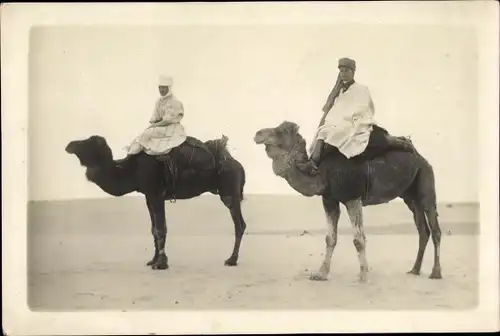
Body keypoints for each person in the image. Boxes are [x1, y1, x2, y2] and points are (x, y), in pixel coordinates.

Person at [305, 57, 416, 172]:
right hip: (341, 124)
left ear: (353, 72)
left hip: (354, 122)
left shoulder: (360, 89)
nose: (344, 74)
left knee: (328, 133)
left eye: (347, 71)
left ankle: (314, 162)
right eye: (341, 71)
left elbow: (363, 107)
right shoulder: (340, 93)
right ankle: (314, 162)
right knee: (323, 131)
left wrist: (349, 118)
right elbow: (336, 112)